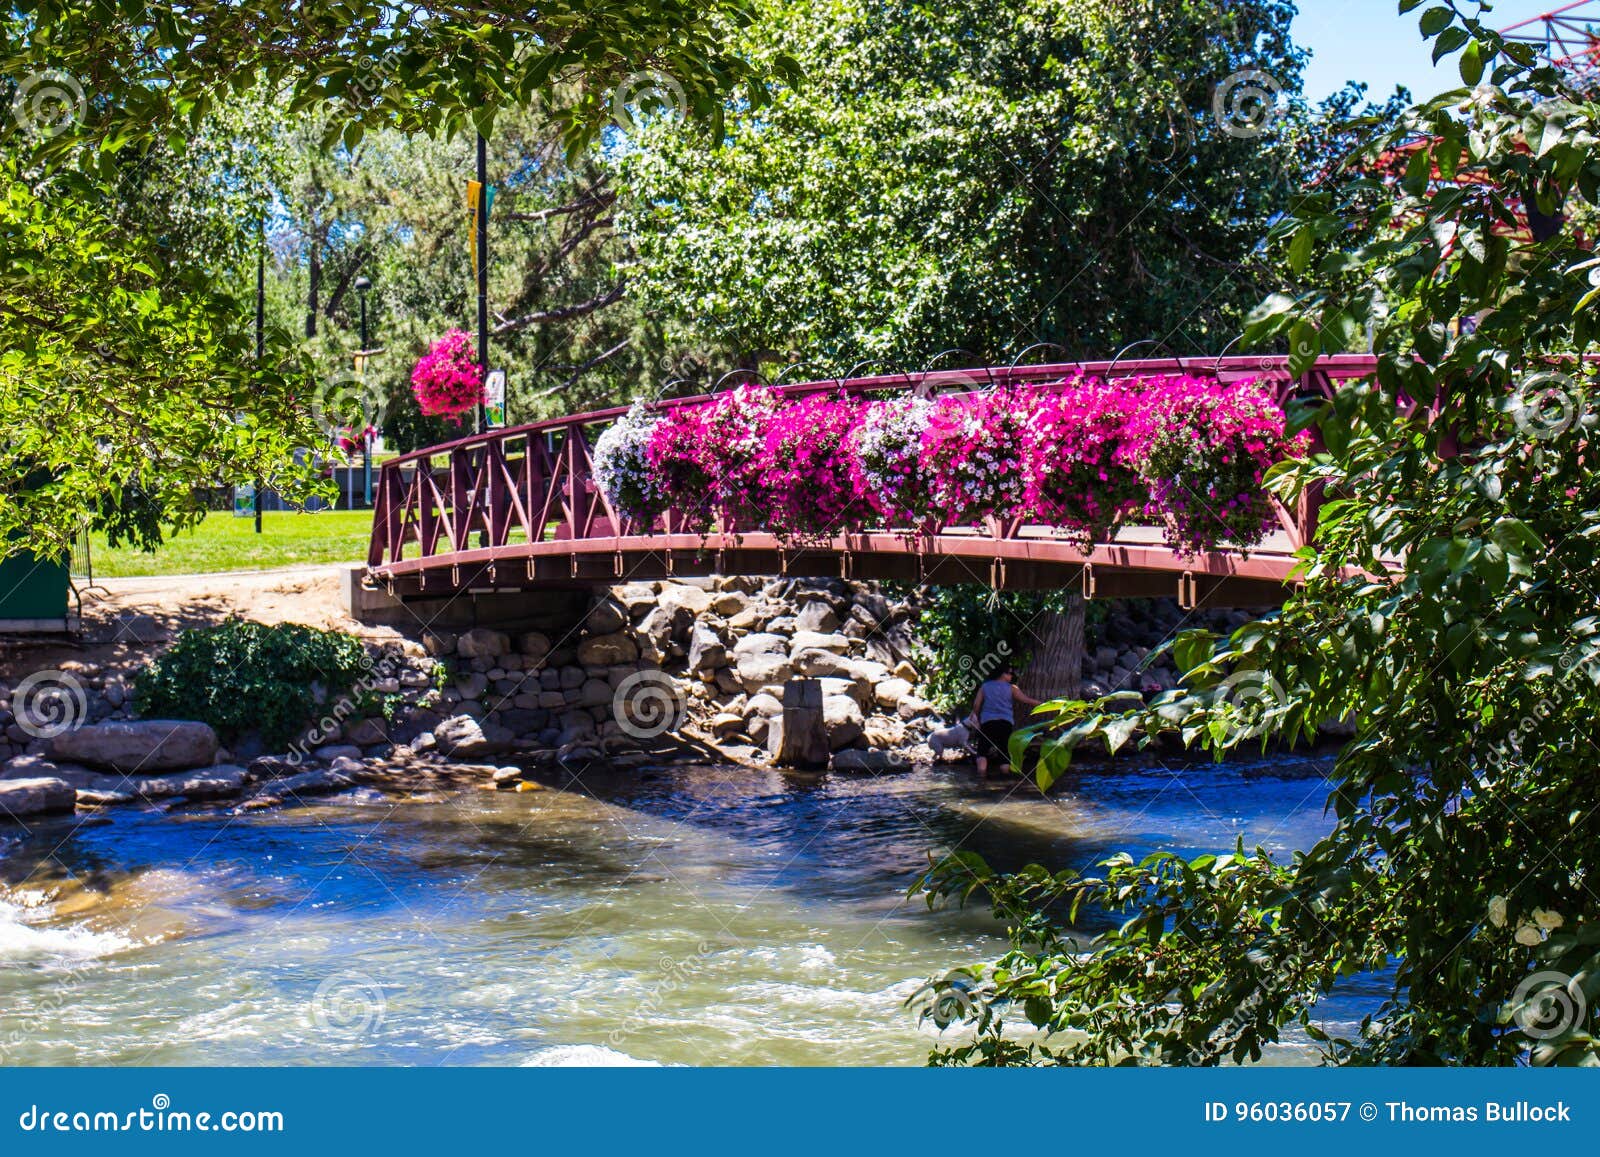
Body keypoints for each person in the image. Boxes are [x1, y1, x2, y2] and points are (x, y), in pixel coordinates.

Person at [969, 665, 1044, 778]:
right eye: (1009, 673)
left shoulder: (985, 686)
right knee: (1004, 750)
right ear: (1003, 674)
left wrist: (977, 718)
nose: (1011, 675)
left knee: (982, 750)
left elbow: (976, 705)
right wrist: (1045, 704)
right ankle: (1005, 777)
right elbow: (1026, 700)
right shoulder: (1012, 688)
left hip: (988, 722)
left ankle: (981, 775)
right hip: (1005, 723)